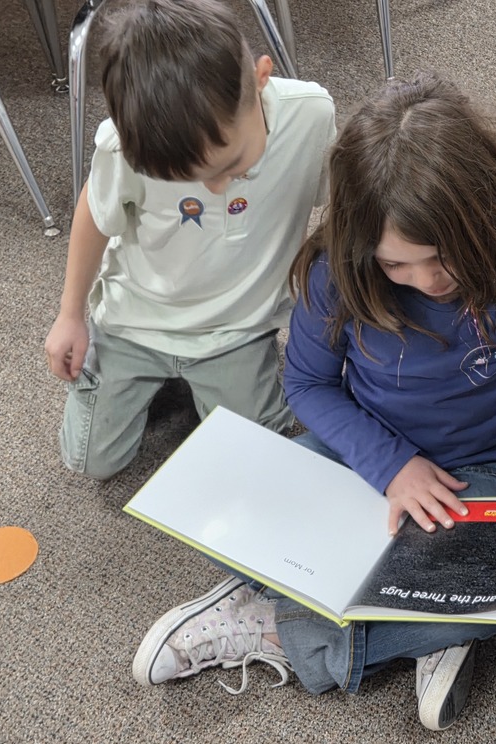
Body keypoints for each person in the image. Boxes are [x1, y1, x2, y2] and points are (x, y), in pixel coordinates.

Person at [131, 74, 496, 731]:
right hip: (358, 452)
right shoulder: (337, 272)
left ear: (482, 215)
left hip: (482, 470)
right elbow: (309, 386)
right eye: (396, 265)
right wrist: (391, 465)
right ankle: (415, 625)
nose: (427, 280)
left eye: (442, 258)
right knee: (232, 516)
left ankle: (278, 627)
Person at [43, 0, 335, 479]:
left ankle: (205, 379)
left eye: (230, 165)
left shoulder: (312, 115)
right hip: (135, 322)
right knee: (90, 462)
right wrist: (69, 314)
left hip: (237, 328)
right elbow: (95, 212)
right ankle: (138, 372)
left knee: (256, 457)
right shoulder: (125, 145)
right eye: (191, 178)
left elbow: (344, 207)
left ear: (262, 77)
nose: (215, 189)